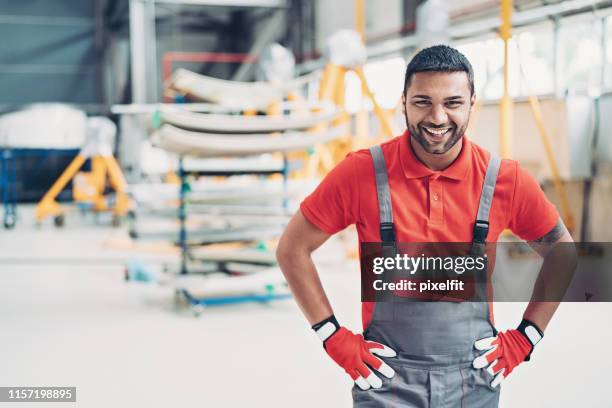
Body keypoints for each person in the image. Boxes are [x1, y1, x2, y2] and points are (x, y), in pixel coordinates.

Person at [276, 45, 575, 407]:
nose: (437, 117)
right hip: (385, 382)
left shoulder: (504, 180)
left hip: (474, 382)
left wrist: (527, 337)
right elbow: (292, 248)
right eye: (422, 102)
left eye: (452, 102)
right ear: (402, 102)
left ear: (471, 104)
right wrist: (332, 336)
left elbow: (563, 254)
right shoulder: (362, 173)